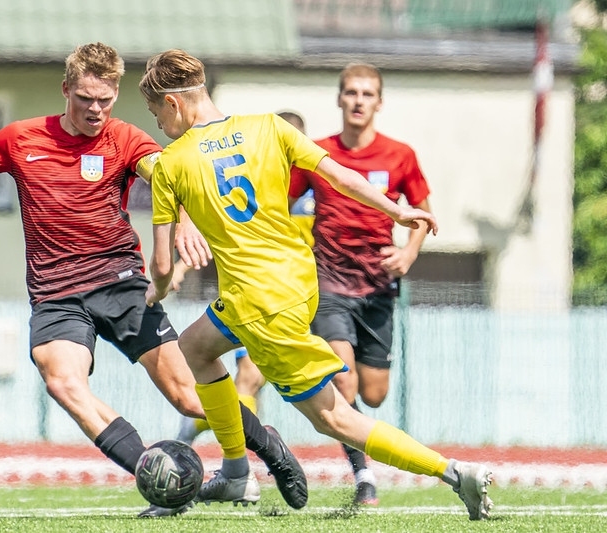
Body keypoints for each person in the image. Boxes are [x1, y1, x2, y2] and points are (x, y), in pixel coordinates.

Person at [0, 42, 307, 518]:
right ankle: (158, 477)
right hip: (56, 295)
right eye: (85, 98)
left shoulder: (125, 138)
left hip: (122, 284)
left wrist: (185, 219)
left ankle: (269, 448)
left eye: (105, 100)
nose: (96, 110)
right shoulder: (19, 139)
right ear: (66, 90)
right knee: (61, 380)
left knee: (188, 396)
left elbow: (170, 179)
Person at [139, 49, 493, 520]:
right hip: (300, 280)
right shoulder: (269, 125)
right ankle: (235, 472)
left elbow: (163, 262)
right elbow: (339, 175)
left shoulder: (171, 163)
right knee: (196, 347)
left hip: (258, 302)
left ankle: (454, 473)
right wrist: (396, 211)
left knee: (334, 417)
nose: (159, 123)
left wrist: (157, 292)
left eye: (155, 112)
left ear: (173, 102)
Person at [288, 62, 431, 505]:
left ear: (379, 103)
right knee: (344, 383)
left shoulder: (400, 155)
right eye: (351, 92)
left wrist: (407, 253)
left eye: (367, 94)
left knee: (374, 392)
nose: (358, 101)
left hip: (377, 289)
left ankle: (361, 448)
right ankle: (363, 474)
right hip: (329, 284)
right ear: (339, 99)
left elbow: (423, 212)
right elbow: (279, 202)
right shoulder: (319, 153)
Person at [175, 110, 309, 445]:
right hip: (255, 295)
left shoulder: (313, 188)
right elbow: (218, 231)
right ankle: (235, 464)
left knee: (348, 392)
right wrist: (179, 268)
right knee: (248, 379)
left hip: (305, 294)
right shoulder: (251, 185)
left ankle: (202, 432)